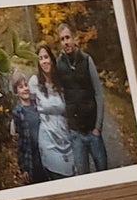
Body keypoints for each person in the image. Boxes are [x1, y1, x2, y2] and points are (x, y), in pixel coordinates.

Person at [55, 21, 108, 174]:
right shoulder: (59, 64)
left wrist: (98, 127)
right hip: (76, 133)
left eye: (68, 37)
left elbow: (99, 93)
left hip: (93, 131)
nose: (66, 42)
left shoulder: (86, 60)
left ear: (74, 38)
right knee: (83, 176)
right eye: (62, 39)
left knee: (104, 173)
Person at [29, 46, 75, 180]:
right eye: (40, 58)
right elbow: (28, 105)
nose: (44, 61)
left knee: (71, 177)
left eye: (46, 57)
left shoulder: (61, 81)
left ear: (51, 59)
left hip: (65, 136)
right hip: (47, 138)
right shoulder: (34, 82)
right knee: (55, 177)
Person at [10, 75, 44, 184]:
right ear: (16, 92)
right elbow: (20, 142)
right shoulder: (18, 112)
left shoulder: (37, 105)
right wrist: (24, 167)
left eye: (26, 85)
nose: (25, 88)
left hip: (46, 153)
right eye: (21, 87)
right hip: (32, 159)